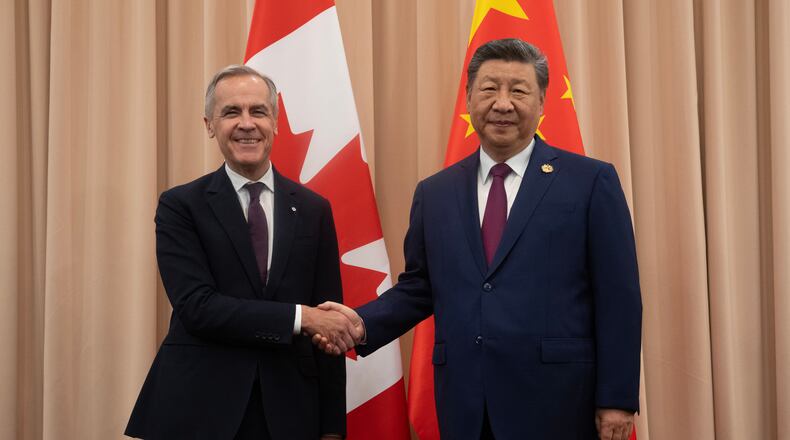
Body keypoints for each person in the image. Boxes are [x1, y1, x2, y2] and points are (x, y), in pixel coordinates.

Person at [316, 39, 642, 440]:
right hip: (468, 404)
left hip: (560, 402)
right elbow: (420, 288)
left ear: (542, 102)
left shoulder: (591, 182)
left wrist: (617, 398)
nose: (502, 103)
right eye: (489, 89)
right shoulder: (435, 193)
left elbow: (619, 297)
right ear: (469, 99)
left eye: (518, 90)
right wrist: (360, 324)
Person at [125, 65, 359, 440]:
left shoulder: (315, 209)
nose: (246, 123)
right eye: (232, 112)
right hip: (198, 407)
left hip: (290, 410)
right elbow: (198, 307)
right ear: (209, 125)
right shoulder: (180, 206)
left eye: (258, 111)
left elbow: (327, 324)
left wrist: (332, 428)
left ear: (276, 123)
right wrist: (302, 318)